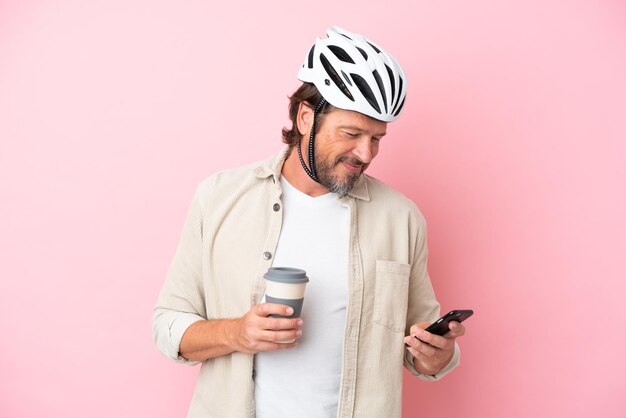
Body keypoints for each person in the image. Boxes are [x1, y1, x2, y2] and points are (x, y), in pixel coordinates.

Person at [153, 26, 466, 418]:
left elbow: (418, 348)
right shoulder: (218, 198)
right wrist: (238, 333)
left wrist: (435, 356)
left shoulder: (401, 219)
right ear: (306, 117)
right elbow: (169, 325)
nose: (365, 153)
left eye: (377, 138)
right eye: (351, 133)